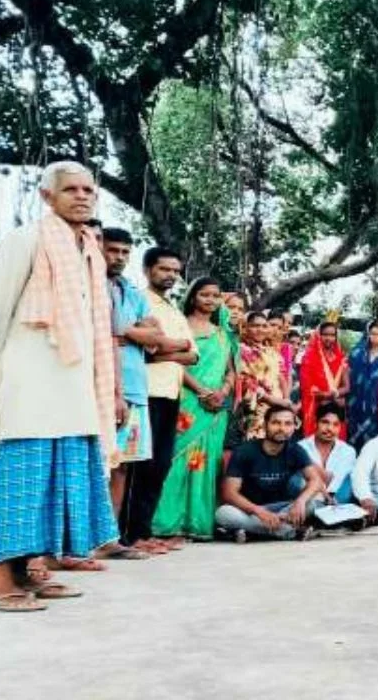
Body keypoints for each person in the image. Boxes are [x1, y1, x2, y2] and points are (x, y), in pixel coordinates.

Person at [0, 161, 123, 611]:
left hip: (72, 389)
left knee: (57, 483)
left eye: (88, 190)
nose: (82, 196)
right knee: (24, 480)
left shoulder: (90, 251)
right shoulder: (27, 239)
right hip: (30, 383)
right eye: (71, 189)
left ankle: (29, 572)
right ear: (46, 197)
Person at [102, 227, 182, 556]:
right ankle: (97, 537)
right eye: (113, 250)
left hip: (135, 388)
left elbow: (157, 337)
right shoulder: (92, 288)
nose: (118, 257)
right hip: (105, 385)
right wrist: (134, 334)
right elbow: (107, 331)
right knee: (101, 465)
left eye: (124, 252)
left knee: (124, 465)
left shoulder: (128, 291)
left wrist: (125, 334)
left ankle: (112, 539)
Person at [151, 278, 235, 541]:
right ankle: (165, 523)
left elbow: (231, 371)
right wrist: (202, 391)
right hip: (187, 400)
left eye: (215, 295)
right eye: (204, 295)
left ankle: (196, 523)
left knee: (206, 462)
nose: (210, 300)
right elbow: (178, 363)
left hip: (216, 407)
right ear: (192, 297)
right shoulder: (180, 325)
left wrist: (222, 391)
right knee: (176, 459)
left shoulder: (224, 333)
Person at [138, 246, 200, 553]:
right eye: (165, 269)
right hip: (144, 392)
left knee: (160, 463)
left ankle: (144, 532)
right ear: (148, 270)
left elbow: (194, 354)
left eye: (175, 271)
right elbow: (143, 351)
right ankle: (131, 535)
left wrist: (166, 347)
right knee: (141, 465)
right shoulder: (138, 301)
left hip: (171, 393)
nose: (171, 276)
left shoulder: (173, 310)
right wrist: (174, 349)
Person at [215, 406, 323, 542]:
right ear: (265, 424)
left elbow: (316, 480)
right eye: (276, 423)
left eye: (287, 424)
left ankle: (254, 531)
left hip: (284, 509)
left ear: (293, 427)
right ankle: (289, 531)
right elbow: (229, 493)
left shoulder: (295, 450)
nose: (281, 428)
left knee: (315, 502)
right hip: (250, 510)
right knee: (223, 514)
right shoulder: (244, 451)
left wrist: (300, 501)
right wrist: (258, 512)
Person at [238, 312, 294, 440]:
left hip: (278, 407)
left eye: (264, 326)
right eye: (255, 326)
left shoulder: (270, 351)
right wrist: (276, 401)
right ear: (246, 328)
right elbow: (247, 383)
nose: (260, 330)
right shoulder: (241, 350)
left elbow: (281, 376)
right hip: (256, 408)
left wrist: (286, 400)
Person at [299, 403, 358, 504]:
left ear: (340, 427)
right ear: (315, 422)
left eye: (336, 424)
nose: (330, 429)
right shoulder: (301, 447)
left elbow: (333, 482)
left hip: (338, 499)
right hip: (309, 498)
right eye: (325, 422)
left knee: (352, 478)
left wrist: (308, 462)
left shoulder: (348, 451)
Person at [298, 321, 347, 438]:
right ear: (318, 336)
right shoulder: (309, 359)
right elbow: (307, 388)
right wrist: (328, 395)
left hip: (336, 409)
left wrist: (332, 395)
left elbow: (347, 386)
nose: (329, 338)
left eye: (332, 335)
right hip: (316, 409)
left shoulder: (341, 358)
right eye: (325, 334)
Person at [346, 320, 378, 449]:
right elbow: (347, 374)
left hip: (376, 404)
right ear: (368, 334)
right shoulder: (357, 354)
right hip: (356, 402)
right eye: (373, 333)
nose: (375, 337)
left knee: (374, 441)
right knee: (354, 437)